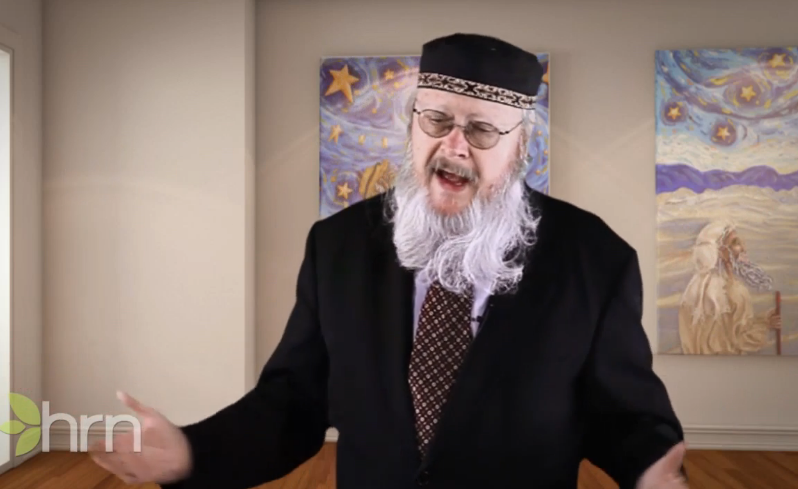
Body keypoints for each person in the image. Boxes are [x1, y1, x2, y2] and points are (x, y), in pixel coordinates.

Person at [90, 33, 688, 489]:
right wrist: (192, 452)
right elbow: (294, 403)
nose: (454, 145)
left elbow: (624, 414)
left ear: (520, 145)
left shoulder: (593, 258)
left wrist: (651, 468)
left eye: (482, 130)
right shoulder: (338, 246)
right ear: (413, 127)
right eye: (437, 120)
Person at [679, 220, 782, 354]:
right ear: (721, 251)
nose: (743, 249)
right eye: (735, 243)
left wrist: (763, 320)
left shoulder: (693, 288)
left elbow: (726, 332)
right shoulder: (733, 291)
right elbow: (741, 340)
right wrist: (766, 324)